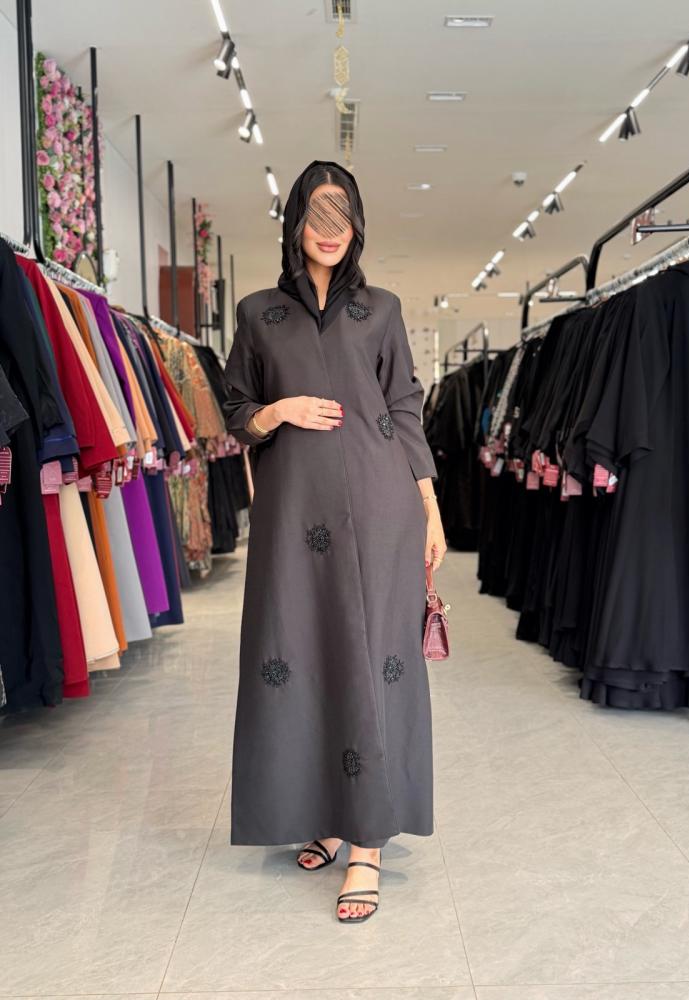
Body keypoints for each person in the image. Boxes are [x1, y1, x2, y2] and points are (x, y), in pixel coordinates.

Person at [222, 159, 447, 924]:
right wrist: (279, 410)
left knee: (373, 660)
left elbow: (405, 405)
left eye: (341, 217)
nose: (329, 232)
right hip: (292, 518)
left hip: (381, 512)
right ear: (295, 224)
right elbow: (235, 412)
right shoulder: (258, 314)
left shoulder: (379, 310)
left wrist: (430, 505)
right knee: (299, 656)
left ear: (357, 226)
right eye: (317, 216)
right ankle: (318, 813)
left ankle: (368, 844)